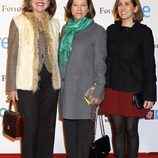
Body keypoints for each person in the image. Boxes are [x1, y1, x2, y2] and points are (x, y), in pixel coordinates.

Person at [99, 0, 157, 158]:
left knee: (131, 130)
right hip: (112, 87)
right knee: (117, 130)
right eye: (120, 4)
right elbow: (105, 60)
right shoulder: (111, 30)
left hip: (133, 88)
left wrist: (150, 93)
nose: (123, 8)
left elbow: (149, 64)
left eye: (127, 4)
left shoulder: (144, 32)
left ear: (135, 8)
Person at [6, 0, 61, 158]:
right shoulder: (18, 21)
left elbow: (57, 56)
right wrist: (12, 86)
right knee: (30, 128)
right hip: (27, 83)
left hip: (51, 83)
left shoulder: (54, 23)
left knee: (48, 127)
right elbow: (12, 56)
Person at [59, 0, 107, 158]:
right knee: (71, 145)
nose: (79, 8)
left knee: (84, 147)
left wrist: (99, 90)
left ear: (88, 8)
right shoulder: (65, 29)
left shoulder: (97, 30)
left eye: (83, 5)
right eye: (75, 5)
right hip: (67, 94)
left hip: (87, 95)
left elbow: (100, 63)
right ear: (70, 8)